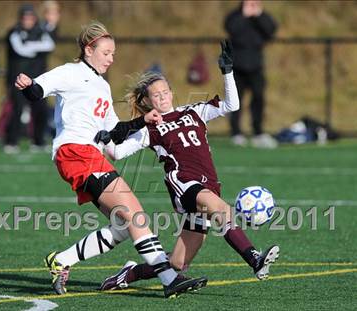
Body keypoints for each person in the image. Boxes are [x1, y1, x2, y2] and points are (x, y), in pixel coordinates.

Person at [15, 21, 207, 298]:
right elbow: (36, 92)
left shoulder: (103, 86)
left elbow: (112, 133)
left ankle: (61, 260)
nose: (111, 58)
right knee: (135, 214)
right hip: (75, 152)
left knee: (122, 226)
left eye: (113, 53)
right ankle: (168, 279)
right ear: (88, 49)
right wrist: (27, 85)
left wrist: (143, 120)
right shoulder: (70, 73)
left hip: (91, 154)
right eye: (106, 52)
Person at [94, 40, 280, 290]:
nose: (161, 97)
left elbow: (231, 105)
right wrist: (104, 138)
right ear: (148, 101)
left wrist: (228, 73)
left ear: (171, 93)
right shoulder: (150, 127)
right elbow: (116, 153)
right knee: (222, 211)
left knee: (178, 263)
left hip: (209, 185)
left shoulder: (194, 112)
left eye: (164, 92)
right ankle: (254, 259)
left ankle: (129, 274)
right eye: (155, 95)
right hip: (184, 183)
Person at [224, 0, 278, 148]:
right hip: (237, 66)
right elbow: (231, 29)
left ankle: (258, 132)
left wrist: (259, 15)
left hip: (256, 67)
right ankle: (236, 133)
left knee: (258, 99)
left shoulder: (262, 17)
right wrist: (244, 15)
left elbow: (271, 31)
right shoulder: (235, 16)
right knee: (235, 101)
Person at [4, 3, 56, 154]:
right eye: (25, 17)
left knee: (40, 109)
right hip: (18, 79)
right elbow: (21, 49)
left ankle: (38, 142)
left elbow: (49, 45)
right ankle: (11, 142)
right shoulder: (13, 32)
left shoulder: (41, 31)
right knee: (17, 109)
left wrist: (31, 46)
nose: (28, 20)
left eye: (30, 17)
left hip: (37, 79)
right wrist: (36, 47)